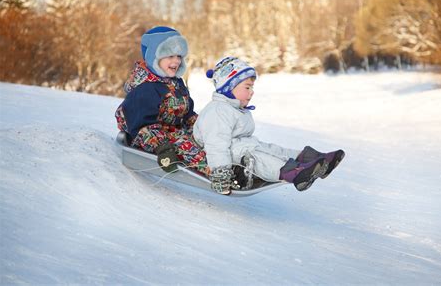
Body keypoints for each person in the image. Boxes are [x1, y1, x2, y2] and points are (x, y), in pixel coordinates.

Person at [193, 57, 345, 195]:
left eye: (252, 88)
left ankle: (313, 159)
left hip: (239, 147)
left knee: (270, 149)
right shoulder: (218, 111)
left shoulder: (233, 107)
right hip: (223, 158)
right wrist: (220, 173)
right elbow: (216, 145)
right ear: (228, 87)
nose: (251, 92)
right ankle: (295, 172)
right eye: (247, 87)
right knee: (259, 157)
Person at [115, 26, 208, 175]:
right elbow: (142, 126)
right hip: (151, 138)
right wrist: (163, 148)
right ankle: (221, 175)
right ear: (153, 57)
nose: (176, 61)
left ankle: (234, 165)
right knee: (189, 149)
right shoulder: (146, 88)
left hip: (174, 132)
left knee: (209, 142)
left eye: (179, 56)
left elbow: (187, 114)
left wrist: (203, 128)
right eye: (170, 56)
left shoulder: (175, 83)